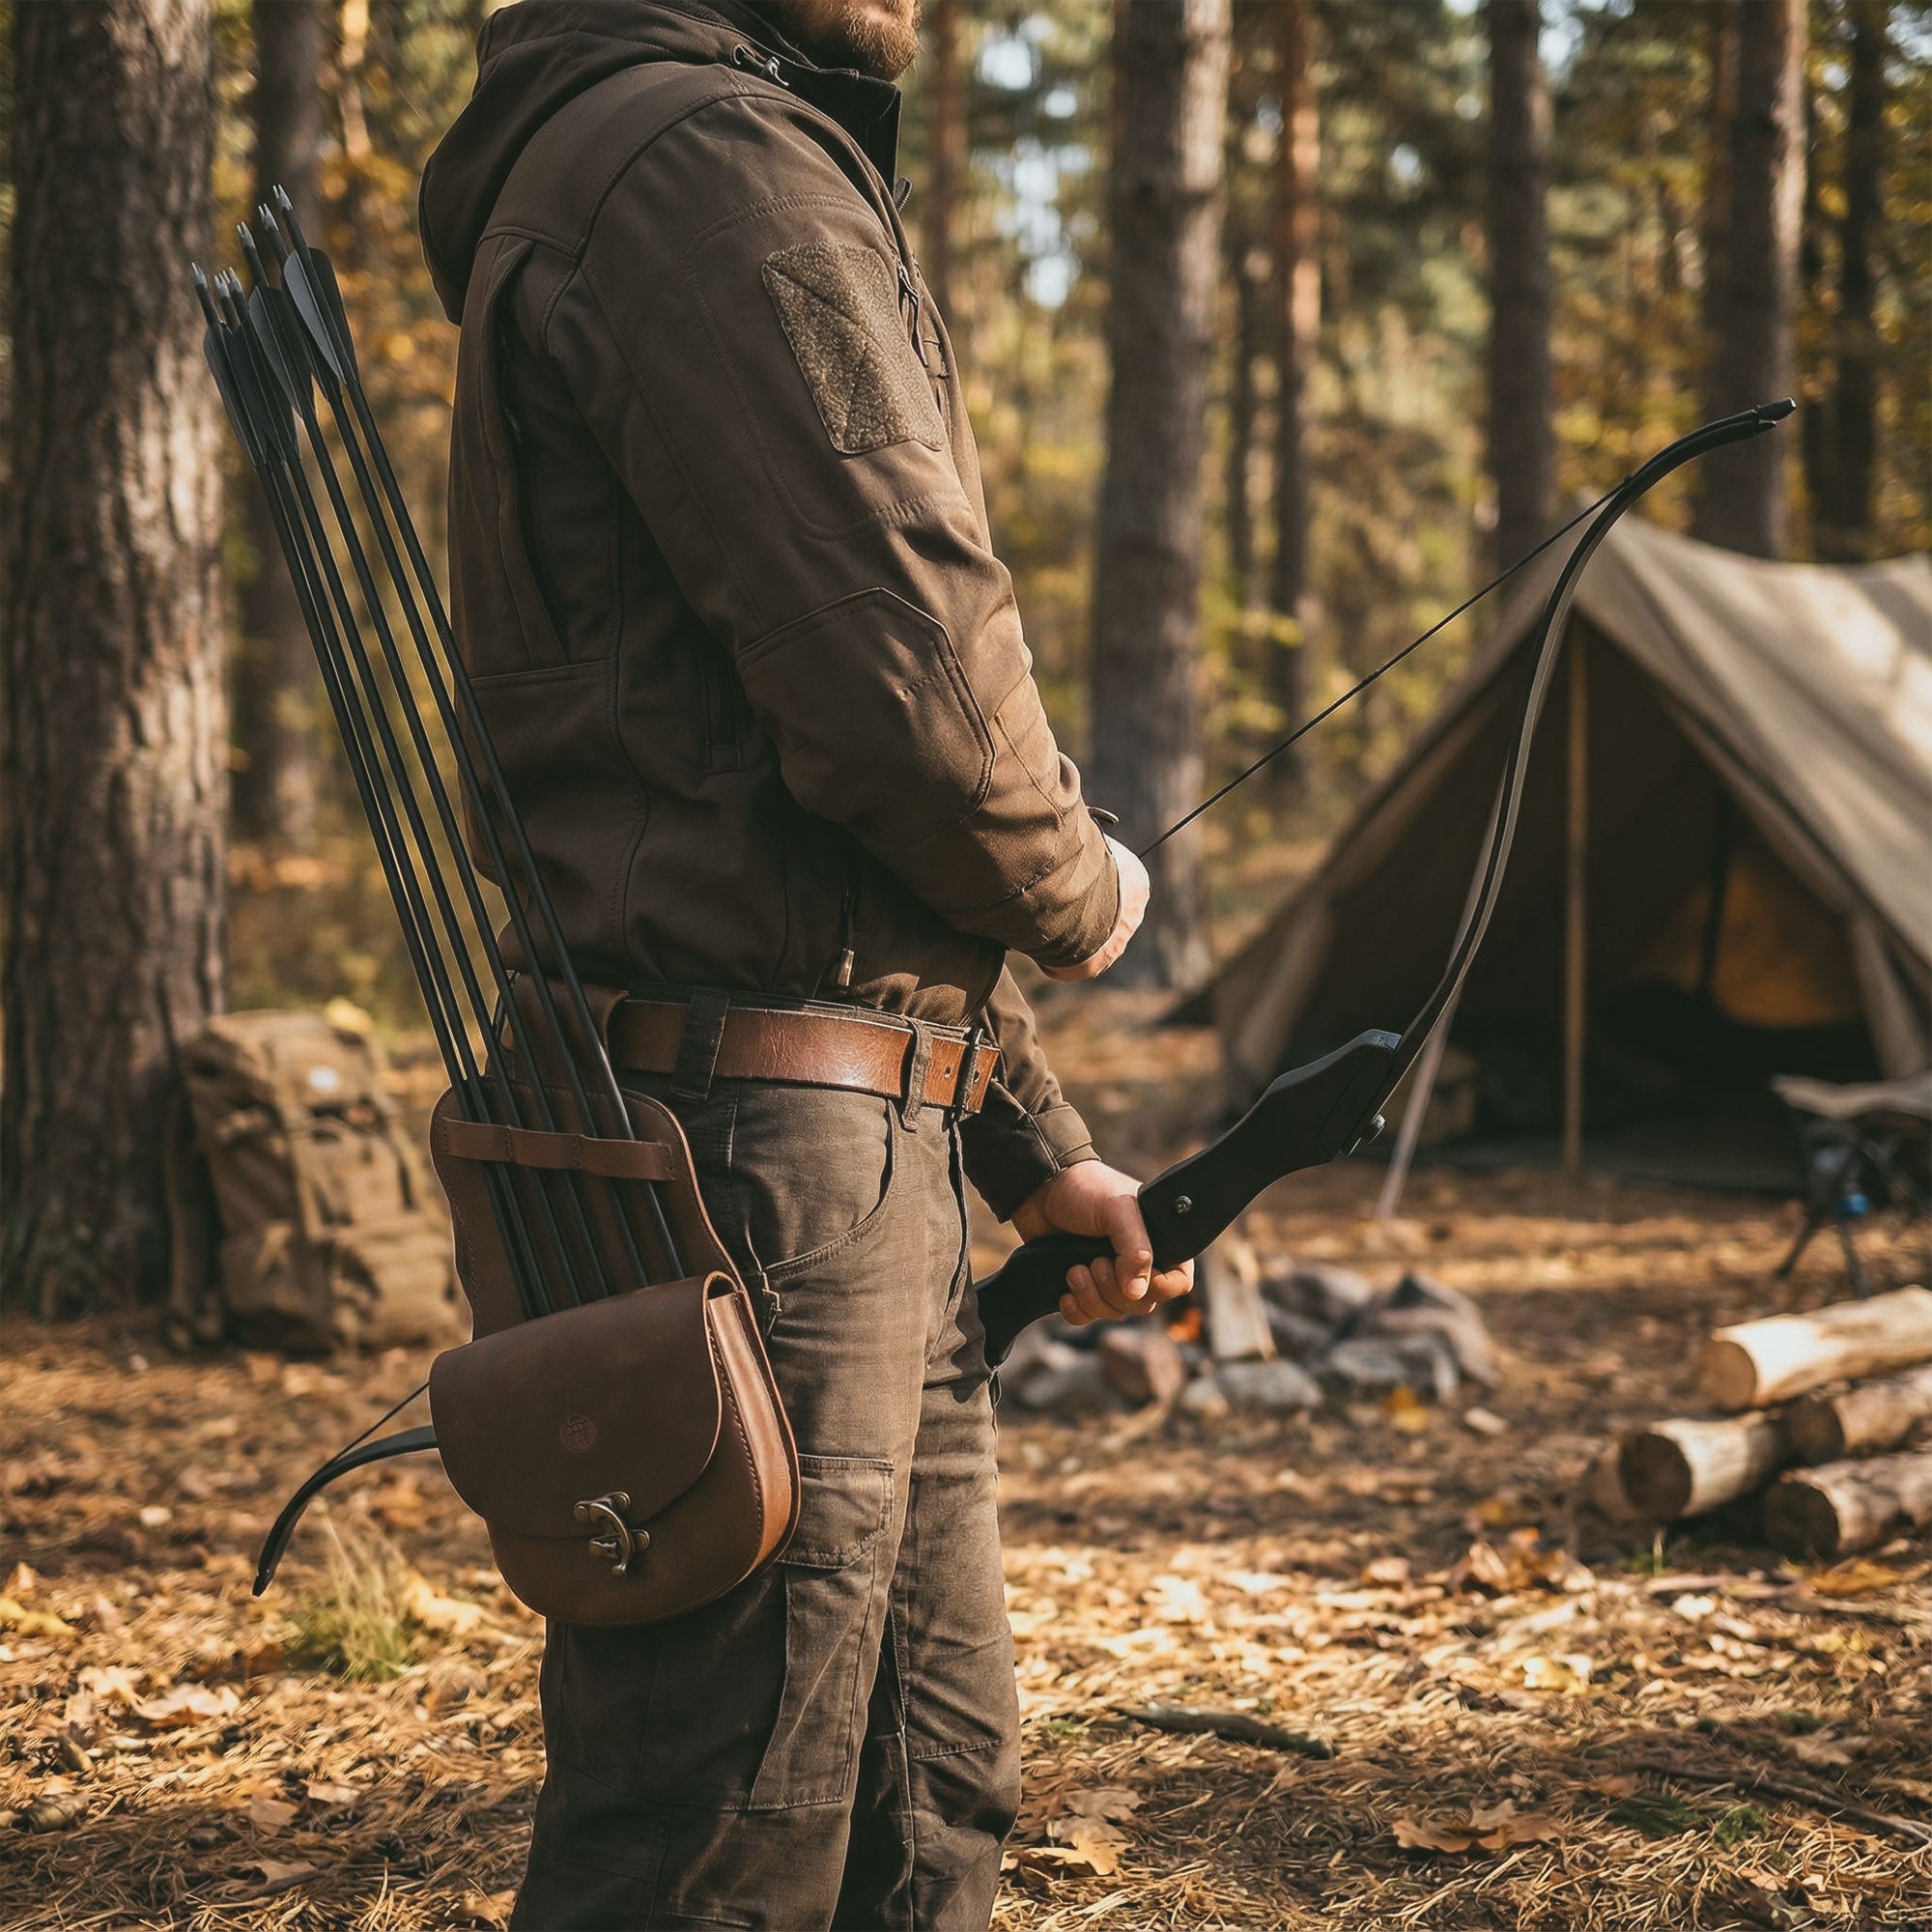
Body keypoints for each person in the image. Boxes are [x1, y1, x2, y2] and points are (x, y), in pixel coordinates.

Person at [420, 2, 1190, 1924]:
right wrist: (1081, 886)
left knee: (924, 1801)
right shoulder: (705, 168)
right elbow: (901, 677)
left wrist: (1025, 1139)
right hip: (768, 1172)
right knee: (721, 1832)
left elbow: (785, 801)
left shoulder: (672, 158)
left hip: (822, 1139)